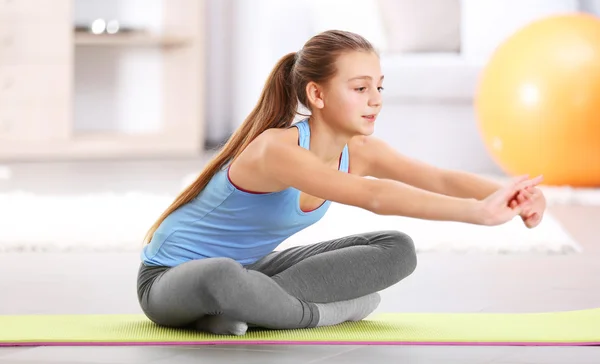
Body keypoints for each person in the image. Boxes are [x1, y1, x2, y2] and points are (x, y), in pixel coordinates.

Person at [137, 30, 546, 336]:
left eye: (379, 86)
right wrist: (477, 214)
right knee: (220, 275)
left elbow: (438, 177)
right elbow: (373, 195)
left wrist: (510, 192)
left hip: (253, 271)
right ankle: (324, 312)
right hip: (170, 280)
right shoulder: (276, 149)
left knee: (396, 248)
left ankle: (247, 309)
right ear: (317, 94)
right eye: (361, 88)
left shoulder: (361, 150)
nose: (376, 99)